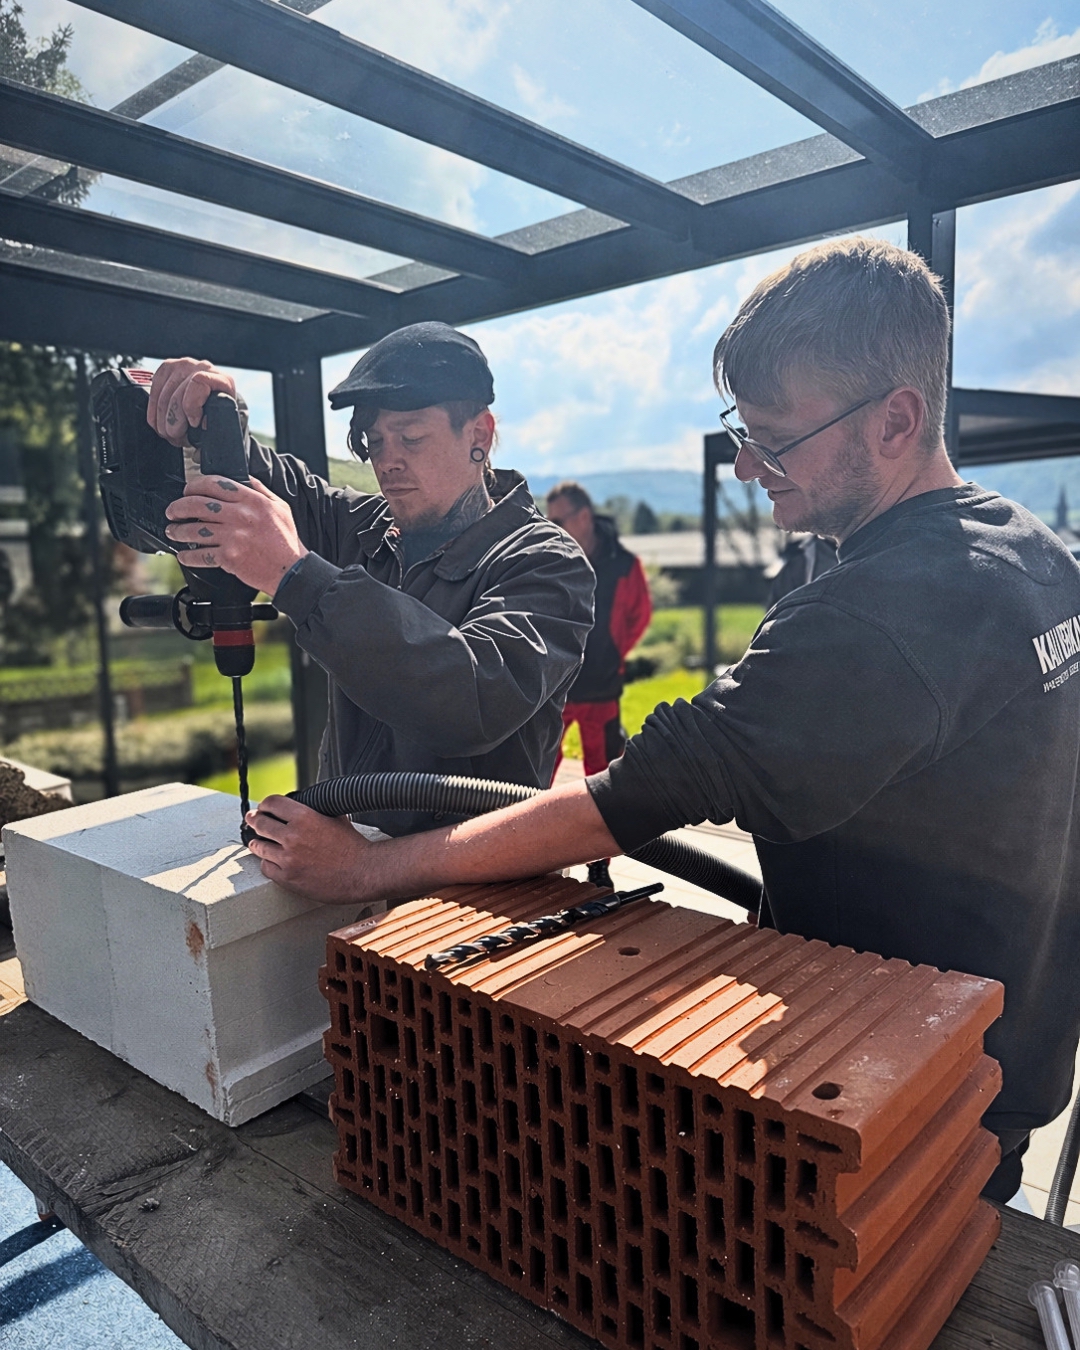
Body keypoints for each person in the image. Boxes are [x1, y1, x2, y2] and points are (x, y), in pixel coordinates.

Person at [246, 240, 1080, 1205]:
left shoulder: (876, 612)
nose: (745, 464)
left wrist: (368, 869)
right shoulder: (1032, 550)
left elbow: (625, 801)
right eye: (741, 428)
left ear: (897, 419)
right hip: (1001, 1047)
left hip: (907, 1088)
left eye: (775, 435)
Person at [148, 322, 595, 839]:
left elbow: (473, 699)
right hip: (336, 861)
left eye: (410, 437)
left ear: (478, 434)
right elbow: (276, 486)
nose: (388, 461)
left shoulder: (544, 562)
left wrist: (295, 575)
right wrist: (216, 417)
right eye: (374, 442)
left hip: (472, 885)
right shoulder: (364, 530)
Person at [545, 481, 652, 887]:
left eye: (558, 519)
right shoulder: (551, 559)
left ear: (584, 517)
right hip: (554, 692)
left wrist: (607, 657)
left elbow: (636, 618)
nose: (551, 526)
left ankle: (599, 866)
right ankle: (523, 849)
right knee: (537, 773)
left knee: (603, 783)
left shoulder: (624, 565)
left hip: (602, 692)